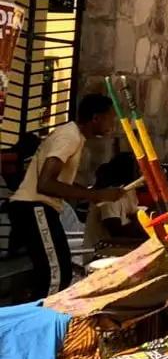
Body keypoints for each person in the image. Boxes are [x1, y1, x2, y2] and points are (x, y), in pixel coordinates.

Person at [9, 93, 123, 300]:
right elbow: (46, 183)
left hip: (41, 209)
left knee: (61, 272)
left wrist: (94, 194)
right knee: (55, 276)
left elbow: (60, 182)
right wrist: (94, 194)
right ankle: (42, 324)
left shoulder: (75, 136)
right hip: (34, 207)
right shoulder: (69, 136)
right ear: (95, 118)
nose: (112, 122)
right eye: (110, 117)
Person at [83, 152, 144, 251]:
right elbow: (116, 232)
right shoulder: (110, 195)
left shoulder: (129, 190)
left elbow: (133, 213)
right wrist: (143, 228)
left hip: (121, 246)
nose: (141, 172)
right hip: (102, 251)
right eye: (138, 169)